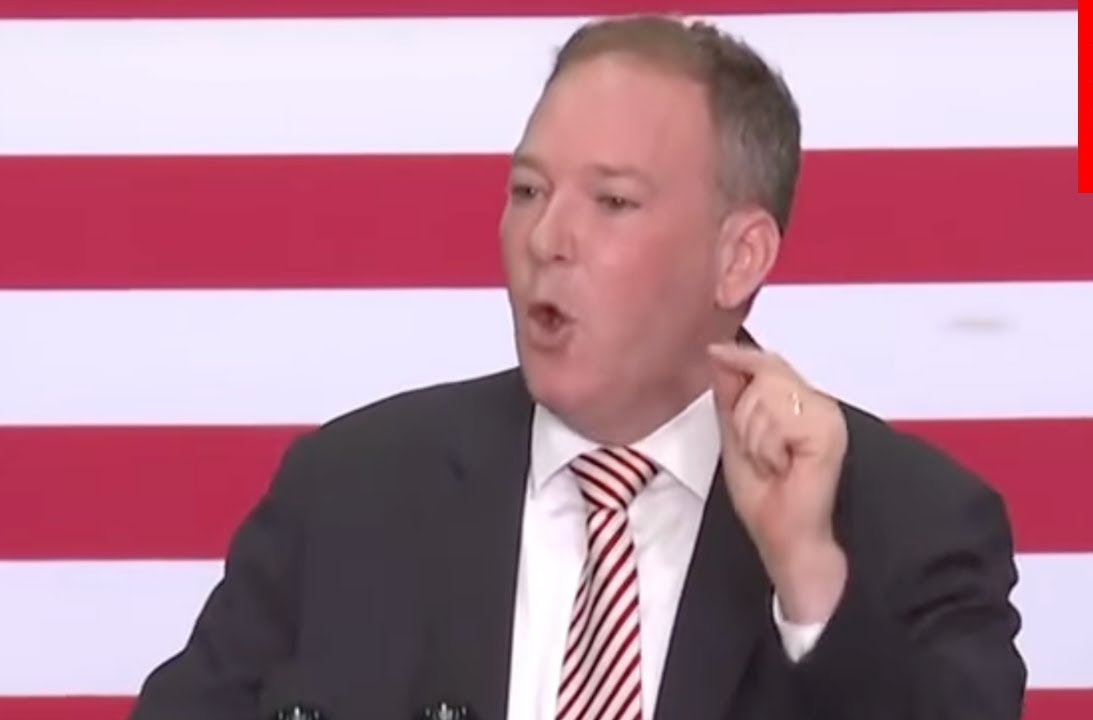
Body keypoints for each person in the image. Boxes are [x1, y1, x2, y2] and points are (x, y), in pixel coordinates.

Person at [129, 14, 1027, 720]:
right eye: (527, 191)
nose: (546, 239)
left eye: (613, 201)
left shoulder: (910, 525)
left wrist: (809, 575)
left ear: (737, 258)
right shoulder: (348, 493)